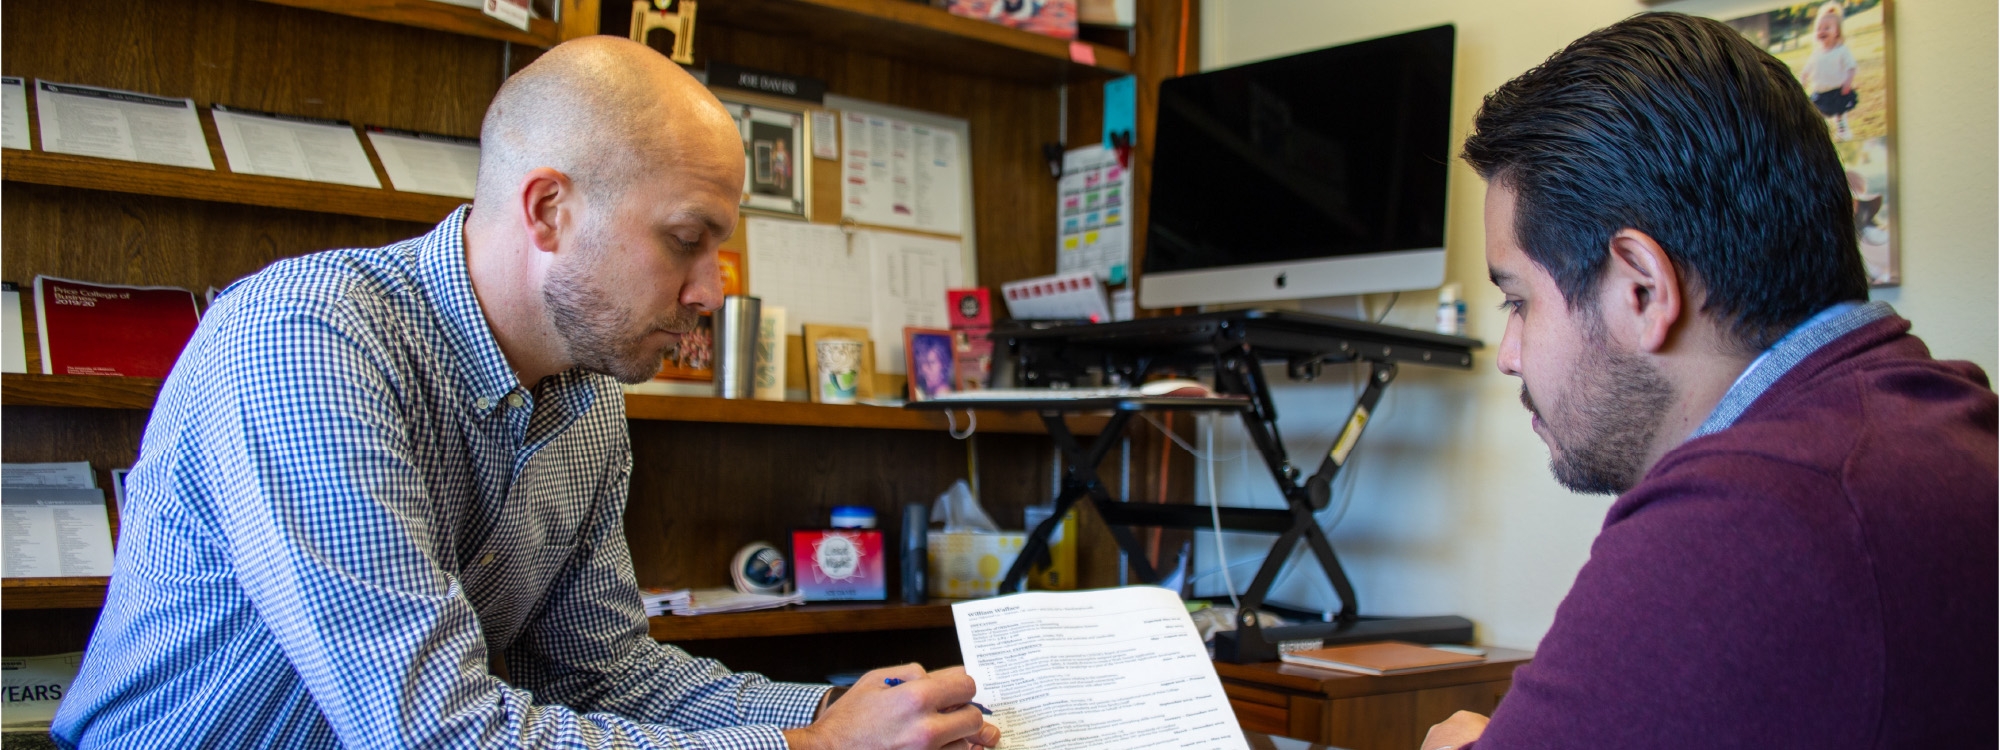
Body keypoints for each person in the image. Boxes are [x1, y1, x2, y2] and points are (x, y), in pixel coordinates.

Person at [52, 37, 1001, 750]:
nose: (713, 290)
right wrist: (806, 748)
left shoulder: (586, 398)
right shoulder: (308, 340)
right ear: (549, 209)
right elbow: (435, 732)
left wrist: (852, 710)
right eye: (686, 240)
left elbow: (604, 672)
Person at [1426, 13, 1995, 749]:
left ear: (1640, 289)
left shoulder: (1752, 512)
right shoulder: (1946, 420)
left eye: (1519, 302)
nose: (1508, 353)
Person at [1801, 2, 1859, 141]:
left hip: (1837, 90)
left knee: (1840, 112)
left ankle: (1842, 130)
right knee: (1818, 114)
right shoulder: (1817, 53)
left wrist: (1847, 83)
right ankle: (1822, 134)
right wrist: (1803, 80)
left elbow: (1851, 68)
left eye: (1827, 28)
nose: (1822, 31)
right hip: (1820, 92)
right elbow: (1807, 70)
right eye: (1819, 28)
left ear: (1837, 31)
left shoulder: (1841, 51)